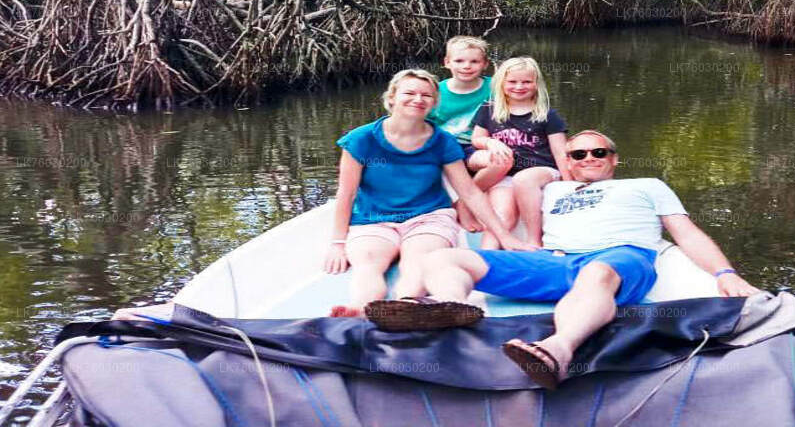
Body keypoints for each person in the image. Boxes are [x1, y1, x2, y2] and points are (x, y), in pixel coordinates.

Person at [371, 130, 761, 389]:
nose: (589, 157)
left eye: (599, 152)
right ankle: (449, 307)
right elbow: (514, 184)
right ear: (567, 161)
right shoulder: (552, 187)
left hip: (621, 257)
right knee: (447, 257)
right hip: (555, 260)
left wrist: (724, 273)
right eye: (579, 153)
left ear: (614, 159)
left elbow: (686, 233)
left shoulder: (646, 185)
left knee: (596, 272)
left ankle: (558, 350)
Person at [325, 69, 534, 319]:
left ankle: (407, 307)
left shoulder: (443, 141)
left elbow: (469, 191)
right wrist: (338, 243)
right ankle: (360, 308)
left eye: (426, 95)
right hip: (373, 218)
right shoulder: (362, 139)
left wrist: (504, 235)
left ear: (434, 102)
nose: (418, 99)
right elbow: (346, 194)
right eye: (409, 93)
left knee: (416, 263)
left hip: (428, 217)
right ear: (391, 98)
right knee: (368, 264)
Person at [468, 56, 570, 248]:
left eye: (526, 82)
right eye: (512, 81)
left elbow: (560, 152)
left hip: (542, 171)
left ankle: (534, 239)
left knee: (524, 179)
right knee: (502, 215)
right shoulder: (489, 110)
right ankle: (486, 257)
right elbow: (477, 139)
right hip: (505, 176)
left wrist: (569, 184)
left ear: (536, 84)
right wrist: (490, 142)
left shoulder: (547, 115)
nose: (519, 86)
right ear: (501, 83)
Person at [427, 36, 493, 232]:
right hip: (444, 148)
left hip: (477, 145)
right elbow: (424, 126)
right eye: (459, 61)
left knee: (498, 161)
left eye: (474, 61)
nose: (466, 66)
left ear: (484, 64)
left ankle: (465, 203)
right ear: (447, 62)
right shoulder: (435, 92)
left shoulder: (495, 87)